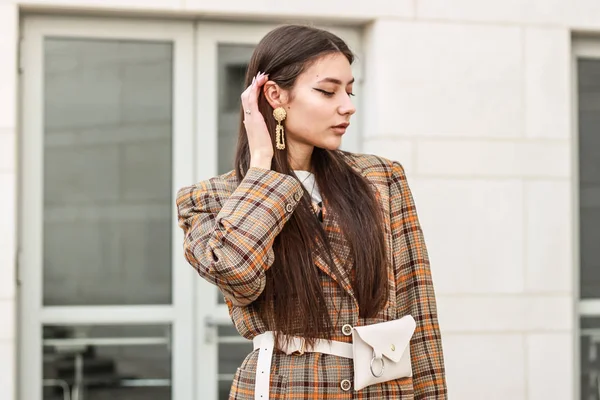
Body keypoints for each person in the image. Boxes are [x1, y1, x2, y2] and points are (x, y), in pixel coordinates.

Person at [177, 24, 447, 399]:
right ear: (275, 95)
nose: (347, 105)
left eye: (350, 90)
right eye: (327, 90)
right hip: (284, 389)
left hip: (383, 388)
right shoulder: (211, 197)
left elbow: (419, 313)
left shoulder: (381, 178)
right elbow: (235, 272)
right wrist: (261, 168)